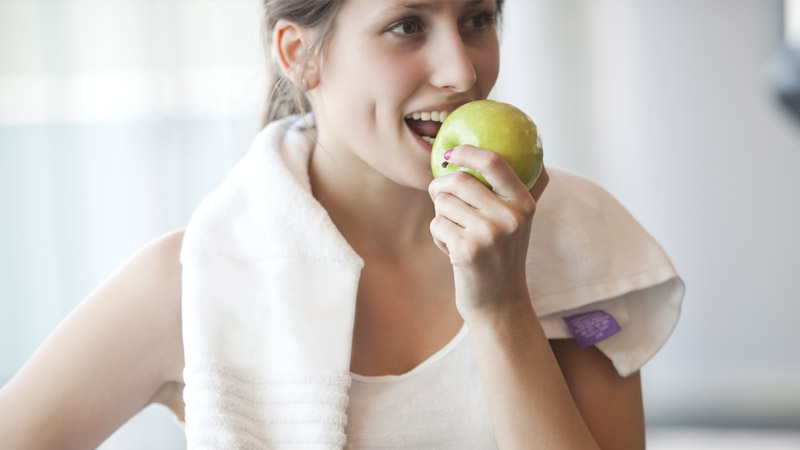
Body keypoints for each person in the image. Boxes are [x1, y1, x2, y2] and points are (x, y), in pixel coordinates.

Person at [0, 1, 684, 449]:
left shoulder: (579, 243)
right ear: (300, 56)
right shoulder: (194, 281)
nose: (462, 71)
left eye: (478, 18)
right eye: (407, 25)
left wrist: (502, 308)